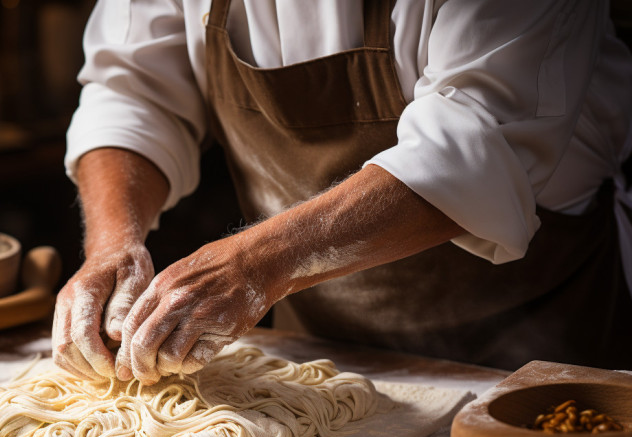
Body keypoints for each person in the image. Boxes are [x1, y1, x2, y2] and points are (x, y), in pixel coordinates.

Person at [52, 0, 632, 384]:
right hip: (317, 356)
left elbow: (472, 143)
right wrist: (113, 245)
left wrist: (257, 263)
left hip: (531, 347)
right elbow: (132, 93)